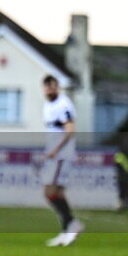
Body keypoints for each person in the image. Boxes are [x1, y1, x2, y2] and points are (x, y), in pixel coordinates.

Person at [41, 75, 84, 246]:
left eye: (52, 86)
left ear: (57, 87)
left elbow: (70, 129)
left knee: (48, 191)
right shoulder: (47, 105)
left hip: (60, 156)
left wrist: (55, 150)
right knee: (58, 193)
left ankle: (72, 223)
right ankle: (66, 230)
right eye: (47, 87)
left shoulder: (64, 104)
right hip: (54, 155)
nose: (50, 90)